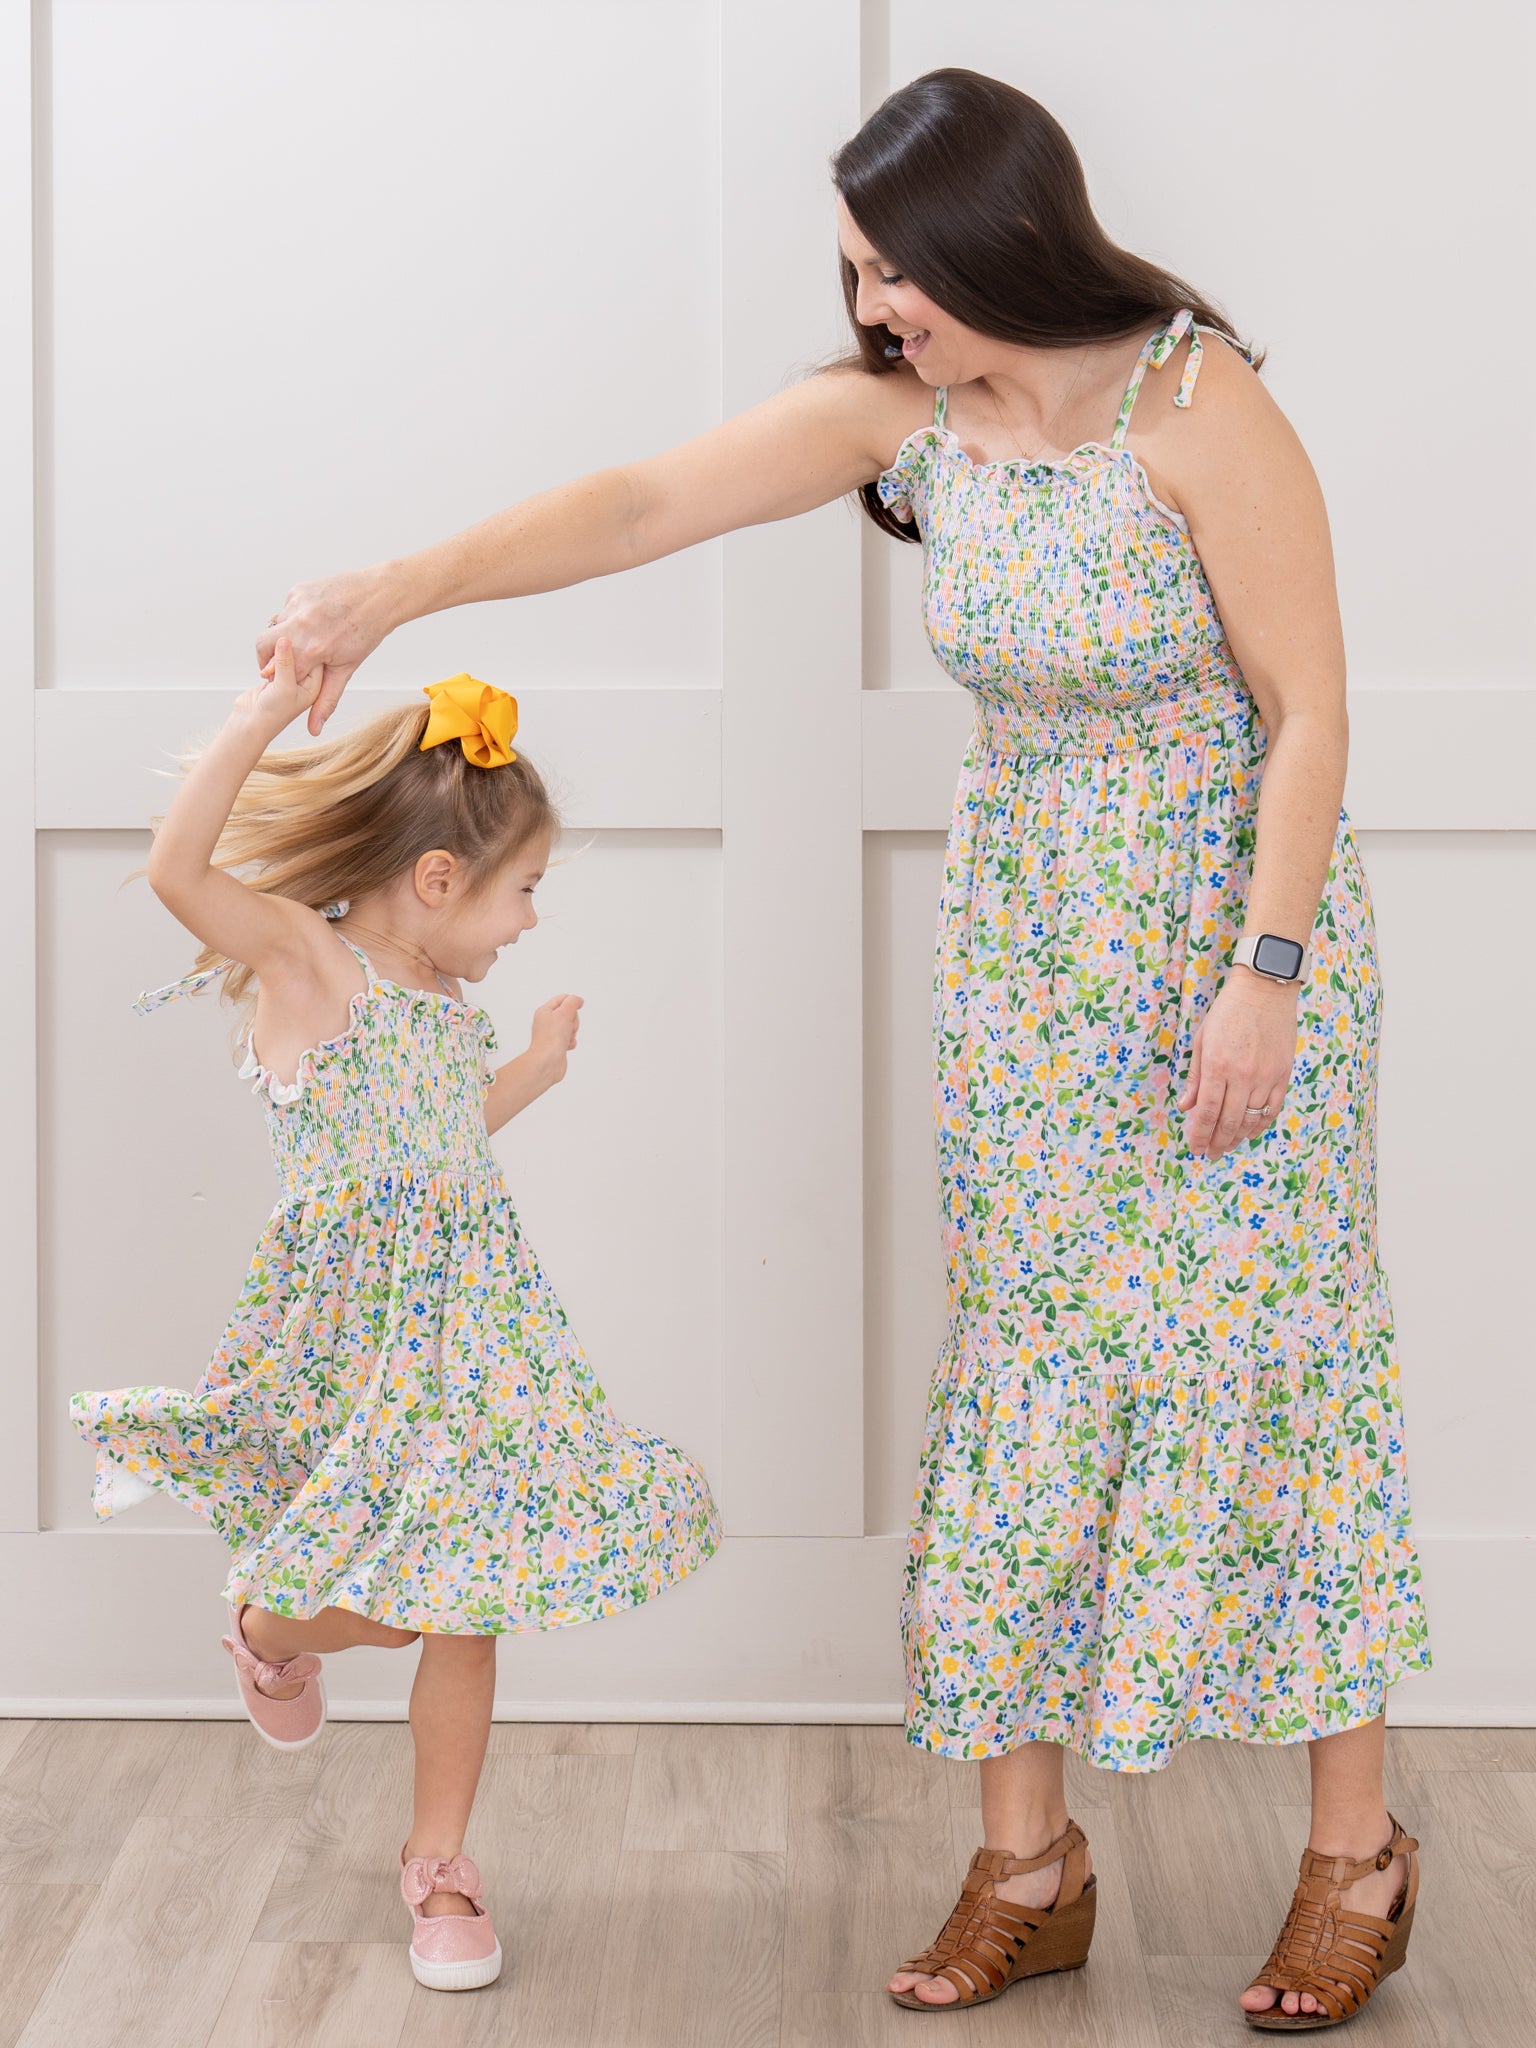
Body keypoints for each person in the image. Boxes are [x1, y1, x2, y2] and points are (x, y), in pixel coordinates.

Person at [254, 67, 1429, 2032]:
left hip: (1232, 943)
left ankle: (1355, 1859)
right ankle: (1029, 1867)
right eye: (858, 275)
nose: (877, 309)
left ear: (999, 238)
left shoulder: (1194, 401)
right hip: (1029, 962)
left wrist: (1270, 971)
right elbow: (643, 501)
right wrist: (395, 590)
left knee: (1272, 1370)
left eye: (899, 272)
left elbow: (1307, 707)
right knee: (1028, 1373)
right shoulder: (913, 419)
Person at [70, 653, 720, 1993]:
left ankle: (442, 1866)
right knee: (374, 1604)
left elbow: (440, 1148)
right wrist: (259, 713)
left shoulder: (442, 1002)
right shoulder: (313, 964)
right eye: (523, 889)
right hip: (353, 1345)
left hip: (476, 1342)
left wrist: (531, 1072)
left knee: (469, 1599)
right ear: (436, 879)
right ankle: (271, 1634)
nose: (531, 920)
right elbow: (180, 871)